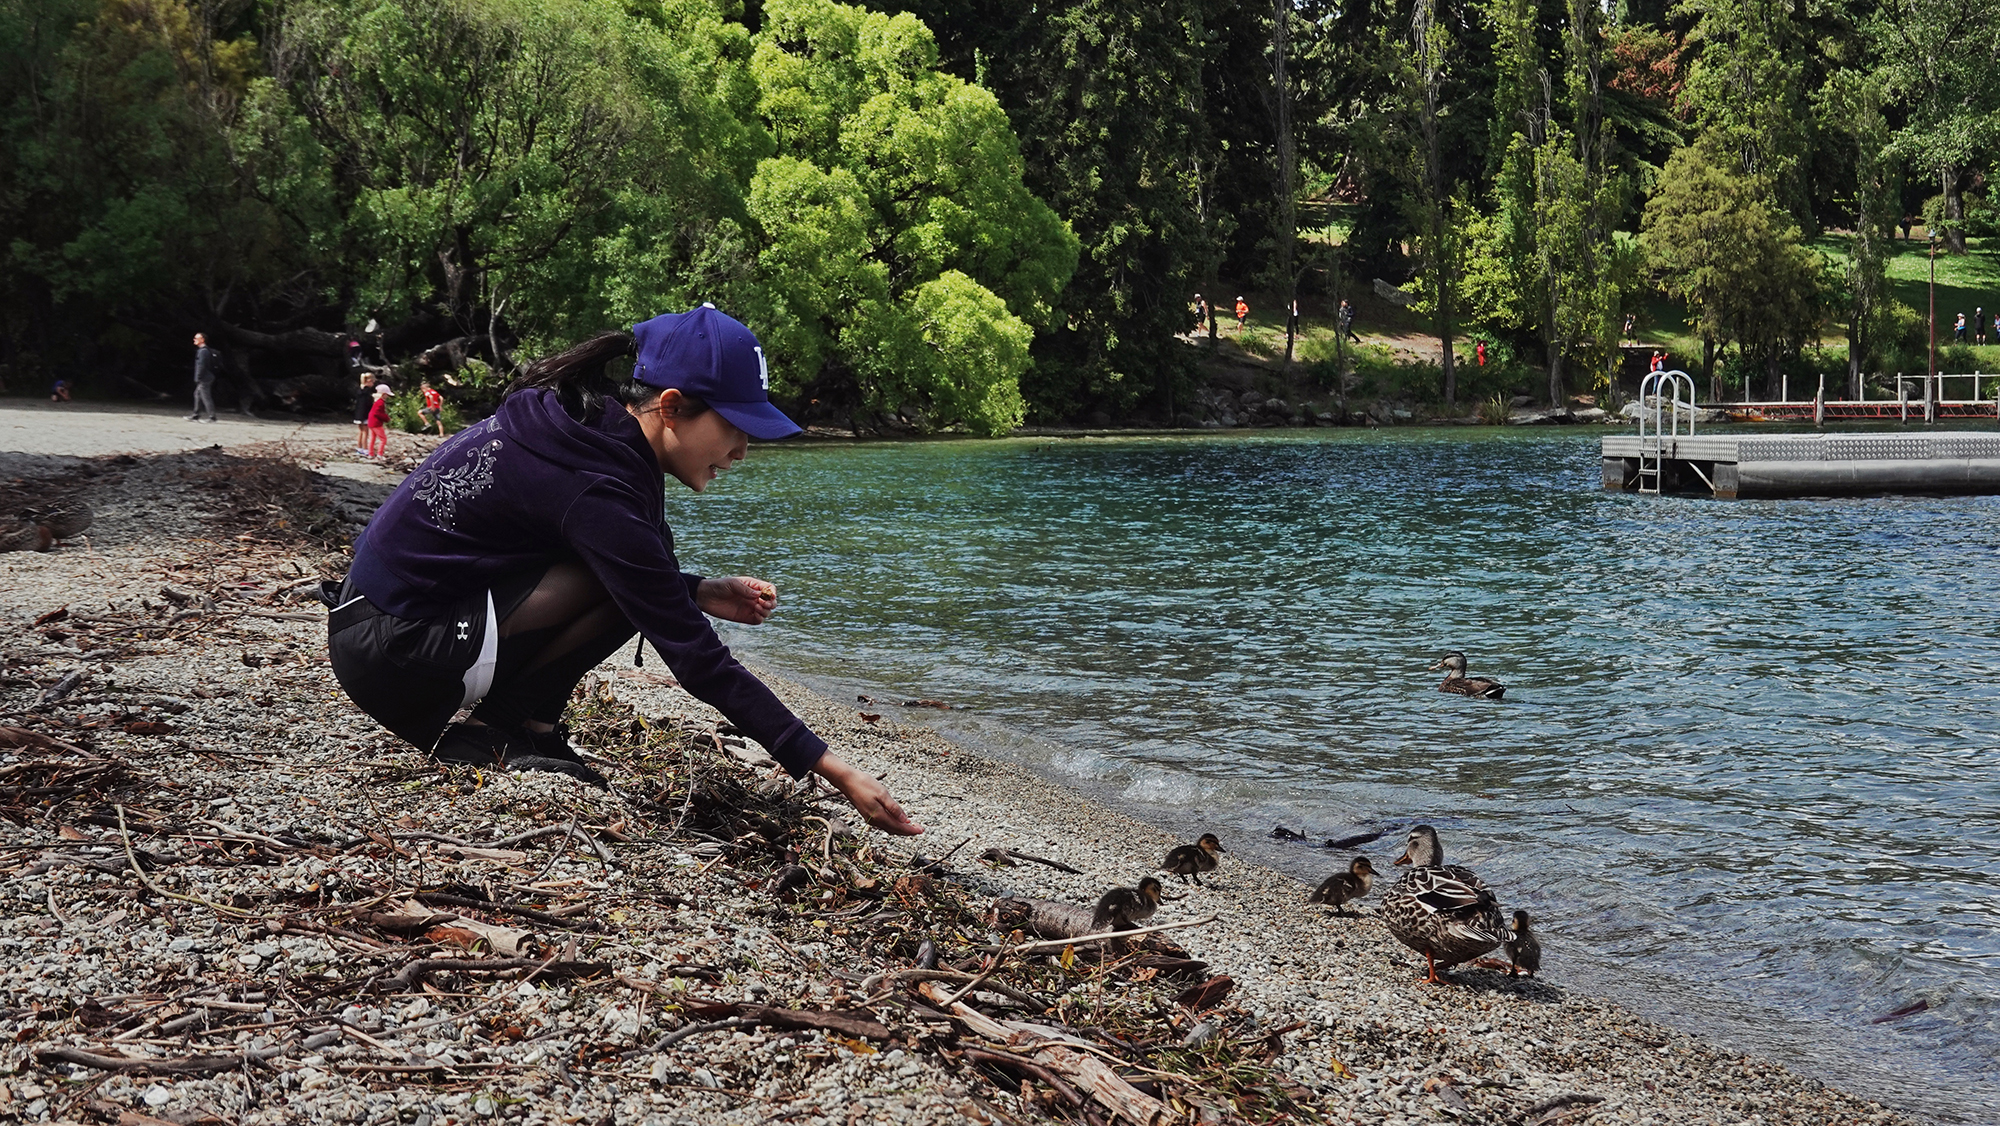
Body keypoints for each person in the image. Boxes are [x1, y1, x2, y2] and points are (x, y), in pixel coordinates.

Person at [324, 303, 923, 835]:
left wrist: (693, 588)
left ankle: (524, 726)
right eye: (736, 428)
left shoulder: (588, 431)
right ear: (670, 407)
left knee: (646, 569)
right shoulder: (595, 485)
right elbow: (696, 658)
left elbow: (624, 566)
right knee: (641, 575)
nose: (743, 451)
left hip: (379, 628)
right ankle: (499, 728)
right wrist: (833, 768)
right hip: (393, 654)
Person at [187, 332, 218, 423]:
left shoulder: (203, 351)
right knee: (197, 395)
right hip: (206, 376)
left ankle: (212, 417)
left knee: (205, 397)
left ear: (202, 340)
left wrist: (198, 377)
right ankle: (195, 415)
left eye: (196, 338)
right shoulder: (205, 351)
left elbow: (201, 365)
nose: (194, 339)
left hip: (204, 378)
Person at [352, 371, 376, 456]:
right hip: (365, 413)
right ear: (369, 381)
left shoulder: (359, 390)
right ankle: (365, 449)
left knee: (360, 431)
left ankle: (359, 448)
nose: (373, 384)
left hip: (358, 413)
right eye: (373, 382)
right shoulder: (367, 391)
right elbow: (368, 403)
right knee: (365, 432)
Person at [365, 383, 390, 459]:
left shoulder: (376, 401)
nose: (388, 396)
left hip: (371, 422)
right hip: (376, 423)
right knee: (383, 439)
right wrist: (386, 418)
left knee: (372, 438)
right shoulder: (380, 402)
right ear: (383, 394)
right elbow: (378, 413)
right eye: (387, 395)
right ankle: (379, 454)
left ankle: (371, 454)